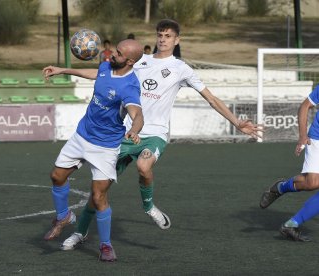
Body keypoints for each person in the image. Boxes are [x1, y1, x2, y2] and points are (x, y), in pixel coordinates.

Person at [60, 18, 263, 250]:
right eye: (160, 35)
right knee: (98, 192)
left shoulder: (181, 69)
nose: (163, 39)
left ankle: (148, 207)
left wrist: (236, 121)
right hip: (125, 134)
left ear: (177, 40)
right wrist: (66, 71)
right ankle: (80, 233)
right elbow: (101, 74)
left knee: (144, 167)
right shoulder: (138, 60)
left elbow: (211, 98)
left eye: (168, 36)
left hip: (155, 133)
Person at [42, 39, 144, 262]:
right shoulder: (107, 66)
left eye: (117, 53)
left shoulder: (130, 86)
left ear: (130, 60)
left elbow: (137, 114)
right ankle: (64, 216)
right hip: (82, 135)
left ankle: (106, 245)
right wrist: (63, 70)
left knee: (98, 197)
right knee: (56, 176)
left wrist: (135, 130)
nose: (110, 55)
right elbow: (95, 72)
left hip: (105, 147)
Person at [260, 84, 319, 242]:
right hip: (317, 138)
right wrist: (302, 135)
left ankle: (291, 225)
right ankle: (280, 187)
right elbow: (305, 106)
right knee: (311, 183)